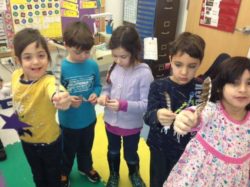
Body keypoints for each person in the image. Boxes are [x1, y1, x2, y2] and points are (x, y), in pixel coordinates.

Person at [164, 56, 250, 186]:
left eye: (249, 83)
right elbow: (197, 114)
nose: (243, 89)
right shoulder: (212, 110)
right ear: (220, 87)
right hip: (197, 179)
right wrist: (187, 118)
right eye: (234, 83)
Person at [143, 32, 206, 187]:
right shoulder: (158, 86)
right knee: (158, 181)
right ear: (170, 60)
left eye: (192, 66)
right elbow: (147, 116)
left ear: (200, 63)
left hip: (187, 150)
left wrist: (198, 120)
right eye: (178, 65)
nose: (184, 72)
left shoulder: (201, 87)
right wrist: (157, 115)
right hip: (160, 147)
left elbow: (205, 119)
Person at [11, 28, 71, 187]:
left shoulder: (48, 81)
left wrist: (61, 98)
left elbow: (55, 90)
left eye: (41, 55)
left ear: (48, 58)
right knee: (37, 176)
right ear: (18, 61)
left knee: (53, 177)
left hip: (49, 143)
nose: (36, 62)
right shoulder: (16, 75)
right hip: (26, 140)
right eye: (28, 57)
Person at [97, 25, 154, 187]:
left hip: (131, 126)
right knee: (112, 151)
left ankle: (134, 173)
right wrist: (103, 96)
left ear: (135, 51)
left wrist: (123, 105)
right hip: (111, 122)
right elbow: (107, 87)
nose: (118, 60)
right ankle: (114, 174)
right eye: (114, 56)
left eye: (123, 56)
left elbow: (146, 104)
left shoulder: (144, 73)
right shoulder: (113, 66)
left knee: (131, 154)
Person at [59, 21, 102, 187]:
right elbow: (55, 96)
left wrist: (95, 93)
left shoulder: (92, 65)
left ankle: (86, 167)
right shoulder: (60, 67)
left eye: (87, 52)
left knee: (86, 148)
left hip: (89, 119)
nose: (84, 56)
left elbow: (98, 85)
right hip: (68, 123)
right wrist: (68, 101)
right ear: (66, 46)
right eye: (79, 52)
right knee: (67, 151)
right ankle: (64, 172)